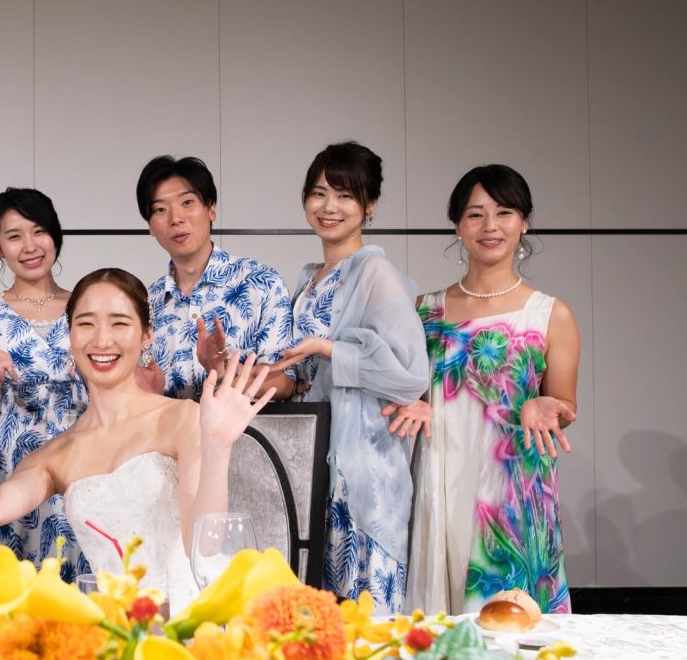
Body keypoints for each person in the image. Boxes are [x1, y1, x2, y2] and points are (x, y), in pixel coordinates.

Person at [0, 269, 275, 613]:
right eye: (86, 323)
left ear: (146, 335)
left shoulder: (184, 418)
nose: (101, 340)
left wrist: (217, 446)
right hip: (117, 633)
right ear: (70, 335)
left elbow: (204, 546)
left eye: (119, 323)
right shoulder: (57, 454)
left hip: (194, 621)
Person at [390, 165, 580, 615]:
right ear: (458, 225)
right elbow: (404, 390)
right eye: (475, 214)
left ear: (524, 222)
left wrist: (546, 404)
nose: (490, 226)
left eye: (504, 212)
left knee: (510, 624)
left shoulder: (550, 314)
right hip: (439, 477)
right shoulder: (423, 311)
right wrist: (412, 402)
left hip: (510, 490)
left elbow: (565, 405)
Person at [274, 143, 430, 608]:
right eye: (319, 193)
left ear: (370, 205)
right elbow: (303, 371)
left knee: (367, 620)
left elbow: (409, 376)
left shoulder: (375, 272)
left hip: (363, 472)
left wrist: (328, 349)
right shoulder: (309, 277)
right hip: (313, 461)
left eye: (345, 195)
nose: (329, 206)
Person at [0, 188, 87, 572]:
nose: (29, 246)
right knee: (8, 587)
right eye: (14, 236)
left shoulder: (90, 307)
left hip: (82, 468)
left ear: (55, 236)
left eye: (39, 231)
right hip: (7, 473)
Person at [137, 155, 294, 401]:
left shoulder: (262, 283)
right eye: (160, 209)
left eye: (187, 202)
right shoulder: (145, 302)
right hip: (165, 428)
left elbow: (284, 382)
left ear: (211, 209)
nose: (175, 218)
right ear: (150, 226)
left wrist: (221, 372)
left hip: (244, 427)